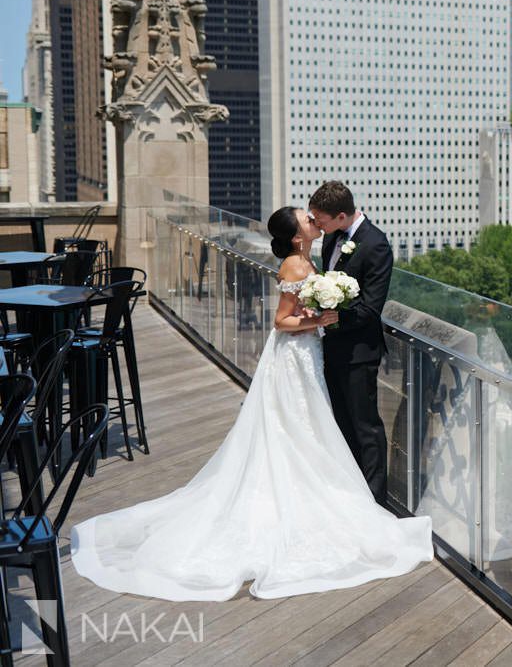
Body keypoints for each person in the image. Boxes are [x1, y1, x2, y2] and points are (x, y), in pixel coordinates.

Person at [70, 206, 432, 601]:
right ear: (297, 236)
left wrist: (316, 314)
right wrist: (320, 321)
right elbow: (281, 322)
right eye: (306, 219)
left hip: (307, 355)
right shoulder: (295, 266)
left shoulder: (310, 254)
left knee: (307, 424)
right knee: (294, 424)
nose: (313, 219)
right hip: (294, 356)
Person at [308, 181, 392, 505]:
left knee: (365, 427)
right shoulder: (331, 237)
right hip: (330, 346)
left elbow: (372, 308)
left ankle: (375, 503)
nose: (317, 226)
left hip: (359, 352)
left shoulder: (376, 245)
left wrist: (335, 319)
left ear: (341, 216)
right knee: (340, 423)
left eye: (321, 220)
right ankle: (349, 495)